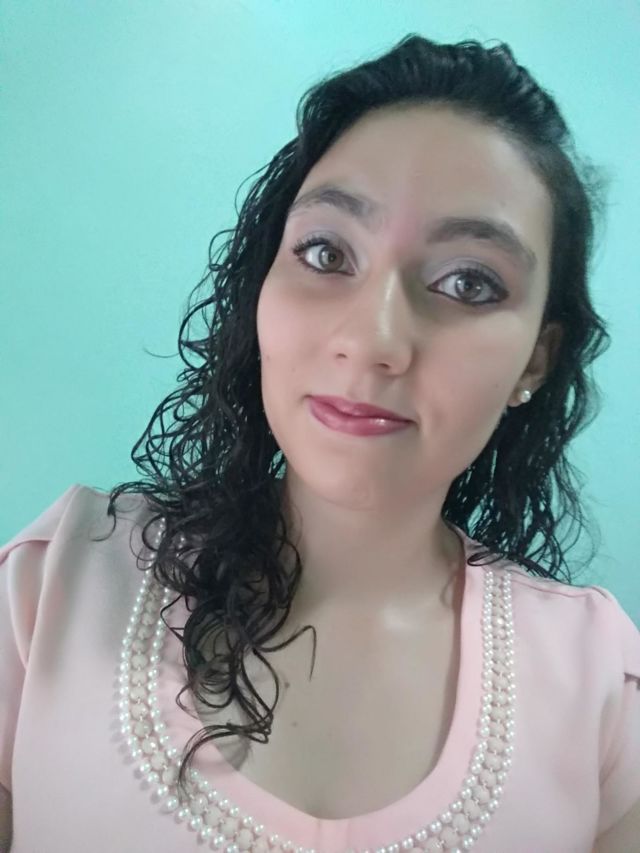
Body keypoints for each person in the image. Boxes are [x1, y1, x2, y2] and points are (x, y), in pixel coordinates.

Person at [1, 33, 638, 853]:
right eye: (326, 252)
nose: (373, 339)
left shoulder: (600, 687)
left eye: (468, 282)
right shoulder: (53, 587)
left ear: (536, 360)